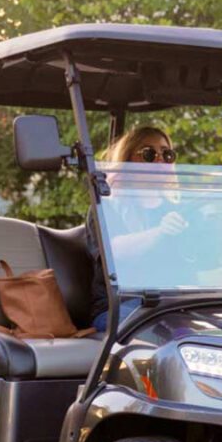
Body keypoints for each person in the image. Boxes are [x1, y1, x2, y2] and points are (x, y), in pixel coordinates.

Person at [87, 126, 184, 332]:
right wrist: (159, 232)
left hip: (169, 305)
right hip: (118, 308)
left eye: (167, 154)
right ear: (127, 159)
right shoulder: (106, 206)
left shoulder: (176, 209)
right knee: (176, 334)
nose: (160, 160)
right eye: (149, 154)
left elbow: (203, 252)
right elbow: (114, 252)